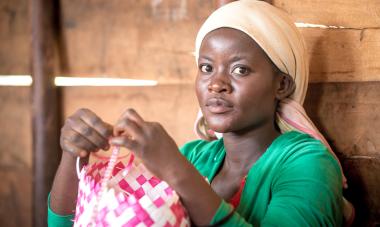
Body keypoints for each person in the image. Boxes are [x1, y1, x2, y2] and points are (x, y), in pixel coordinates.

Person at [48, 1, 352, 226]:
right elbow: (70, 222)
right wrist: (73, 154)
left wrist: (175, 169)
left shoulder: (307, 164)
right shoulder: (196, 157)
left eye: (239, 70)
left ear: (281, 85)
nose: (216, 84)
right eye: (206, 68)